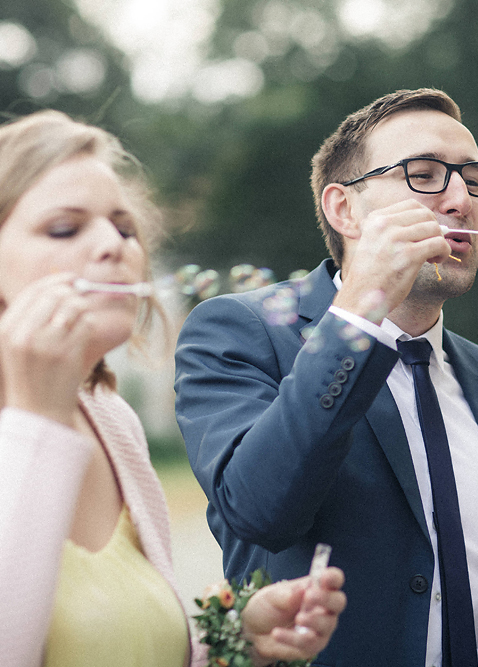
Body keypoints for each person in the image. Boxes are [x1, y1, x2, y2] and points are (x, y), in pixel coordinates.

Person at [173, 88, 478, 667]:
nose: (460, 199)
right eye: (424, 175)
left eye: (473, 180)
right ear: (343, 209)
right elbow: (259, 513)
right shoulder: (238, 333)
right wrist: (356, 315)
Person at [0, 110, 347, 667]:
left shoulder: (110, 419)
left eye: (124, 226)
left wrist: (237, 639)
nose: (113, 245)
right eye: (65, 227)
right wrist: (35, 422)